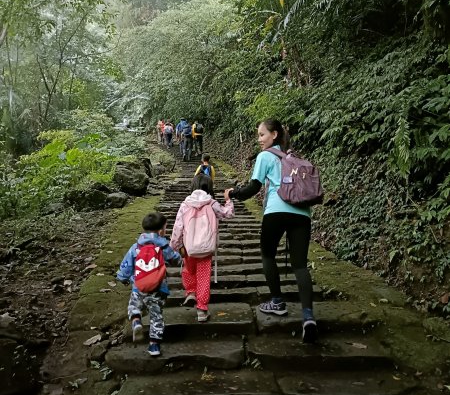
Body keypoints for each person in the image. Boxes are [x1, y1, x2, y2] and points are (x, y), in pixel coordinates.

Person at [225, 118, 317, 343]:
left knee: (267, 255)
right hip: (302, 214)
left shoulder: (265, 156)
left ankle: (277, 301)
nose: (259, 139)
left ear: (274, 135)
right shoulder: (293, 157)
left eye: (262, 134)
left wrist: (232, 193)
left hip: (276, 211)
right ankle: (308, 317)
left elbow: (253, 188)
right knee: (300, 265)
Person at [116, 212, 182, 356]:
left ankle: (136, 320)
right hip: (158, 288)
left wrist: (122, 278)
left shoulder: (135, 247)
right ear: (160, 231)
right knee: (156, 316)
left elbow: (126, 266)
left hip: (138, 286)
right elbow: (176, 259)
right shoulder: (164, 248)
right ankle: (154, 346)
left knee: (134, 306)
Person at [170, 174, 234, 322]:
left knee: (188, 271)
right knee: (203, 276)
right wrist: (228, 200)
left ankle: (191, 292)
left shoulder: (185, 204)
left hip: (189, 247)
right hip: (206, 247)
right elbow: (227, 213)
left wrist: (176, 246)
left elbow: (178, 227)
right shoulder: (211, 203)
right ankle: (202, 309)